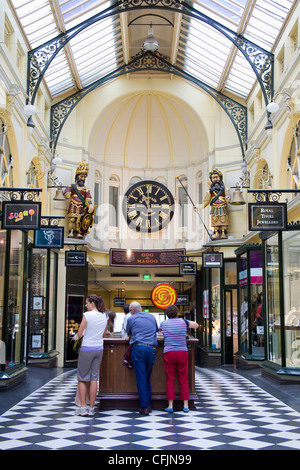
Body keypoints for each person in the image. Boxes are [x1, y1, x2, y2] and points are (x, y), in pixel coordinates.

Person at [73, 294, 108, 416]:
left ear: (92, 303)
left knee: (82, 379)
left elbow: (80, 333)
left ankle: (83, 408)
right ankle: (92, 408)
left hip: (87, 348)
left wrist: (75, 337)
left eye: (87, 303)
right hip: (99, 348)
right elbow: (104, 334)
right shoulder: (105, 316)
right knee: (94, 378)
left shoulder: (87, 315)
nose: (86, 305)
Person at [160, 305, 199, 413]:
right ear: (177, 313)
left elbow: (158, 329)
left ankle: (170, 405)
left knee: (170, 379)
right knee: (184, 379)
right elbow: (196, 325)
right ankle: (185, 405)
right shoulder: (183, 322)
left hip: (169, 352)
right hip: (182, 351)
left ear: (167, 314)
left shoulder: (164, 323)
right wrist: (186, 322)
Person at [126, 301, 158, 415]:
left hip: (139, 348)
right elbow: (155, 330)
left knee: (141, 377)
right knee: (147, 377)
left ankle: (144, 407)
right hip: (152, 349)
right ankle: (148, 404)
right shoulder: (152, 316)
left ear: (132, 310)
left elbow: (128, 334)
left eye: (130, 311)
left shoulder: (131, 319)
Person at [195, 168, 231, 240]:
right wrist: (198, 207)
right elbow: (206, 201)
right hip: (214, 208)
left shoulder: (225, 189)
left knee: (223, 219)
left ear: (220, 178)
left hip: (222, 206)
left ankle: (223, 233)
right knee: (215, 220)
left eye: (216, 177)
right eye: (213, 178)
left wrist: (228, 198)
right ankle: (216, 233)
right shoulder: (209, 191)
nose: (215, 179)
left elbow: (228, 196)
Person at [64, 159, 95, 238]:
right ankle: (71, 231)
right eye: (81, 176)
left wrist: (90, 205)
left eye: (84, 177)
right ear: (77, 176)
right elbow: (67, 194)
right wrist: (67, 193)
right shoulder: (71, 186)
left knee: (80, 220)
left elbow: (88, 198)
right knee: (72, 219)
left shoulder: (85, 189)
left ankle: (79, 232)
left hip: (82, 206)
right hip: (73, 204)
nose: (83, 179)